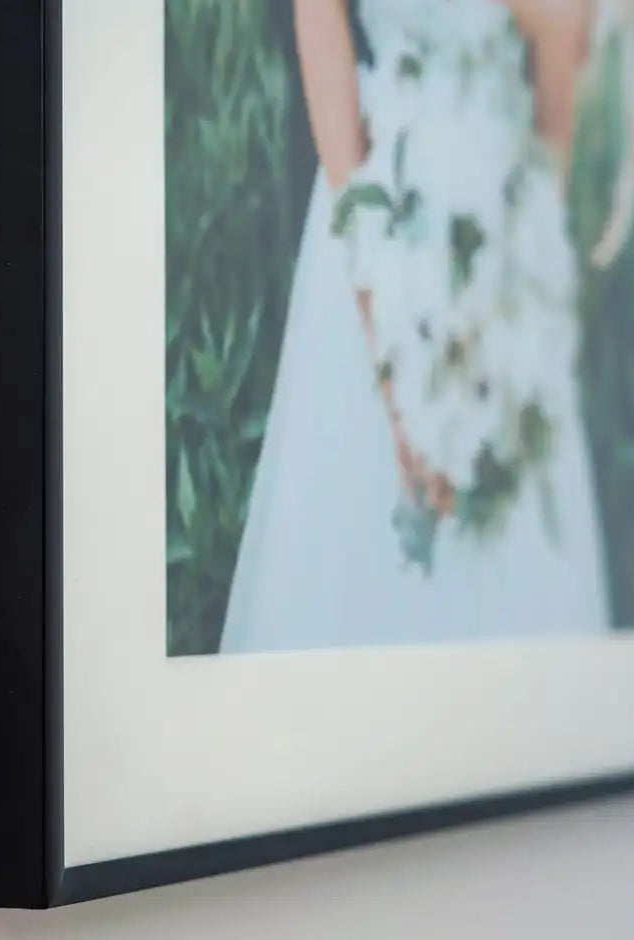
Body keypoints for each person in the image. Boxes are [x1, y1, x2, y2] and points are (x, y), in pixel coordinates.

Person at [221, 0, 609, 653]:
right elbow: (320, 21)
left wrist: (524, 283)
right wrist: (384, 337)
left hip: (507, 228)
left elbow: (560, 49)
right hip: (376, 194)